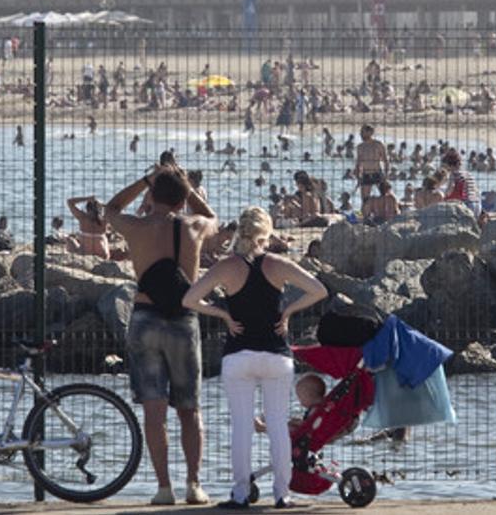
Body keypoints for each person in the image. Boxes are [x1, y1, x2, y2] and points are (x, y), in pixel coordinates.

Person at [181, 206, 328, 510]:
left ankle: (239, 494)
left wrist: (222, 313)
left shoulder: (227, 266)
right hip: (275, 355)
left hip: (239, 355)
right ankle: (282, 495)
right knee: (276, 425)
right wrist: (287, 311)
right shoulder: (277, 263)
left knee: (241, 426)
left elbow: (189, 299)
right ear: (266, 233)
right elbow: (318, 290)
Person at [103, 167, 218, 506]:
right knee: (189, 409)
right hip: (183, 318)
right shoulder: (193, 225)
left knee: (154, 412)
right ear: (182, 200)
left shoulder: (137, 227)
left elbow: (110, 210)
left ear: (152, 197)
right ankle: (194, 485)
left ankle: (163, 488)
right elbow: (210, 216)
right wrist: (187, 189)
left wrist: (145, 181)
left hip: (145, 317)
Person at [354, 125, 389, 206]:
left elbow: (385, 160)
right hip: (366, 174)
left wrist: (386, 175)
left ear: (370, 132)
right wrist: (358, 177)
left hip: (377, 173)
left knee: (386, 196)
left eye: (363, 132)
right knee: (365, 200)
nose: (361, 134)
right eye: (361, 133)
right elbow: (358, 163)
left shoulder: (378, 145)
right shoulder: (360, 147)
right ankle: (365, 216)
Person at [441, 149, 480, 215]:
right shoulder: (468, 174)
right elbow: (476, 191)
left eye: (445, 166)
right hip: (477, 204)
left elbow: (450, 188)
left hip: (467, 205)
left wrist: (444, 195)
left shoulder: (453, 174)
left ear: (450, 165)